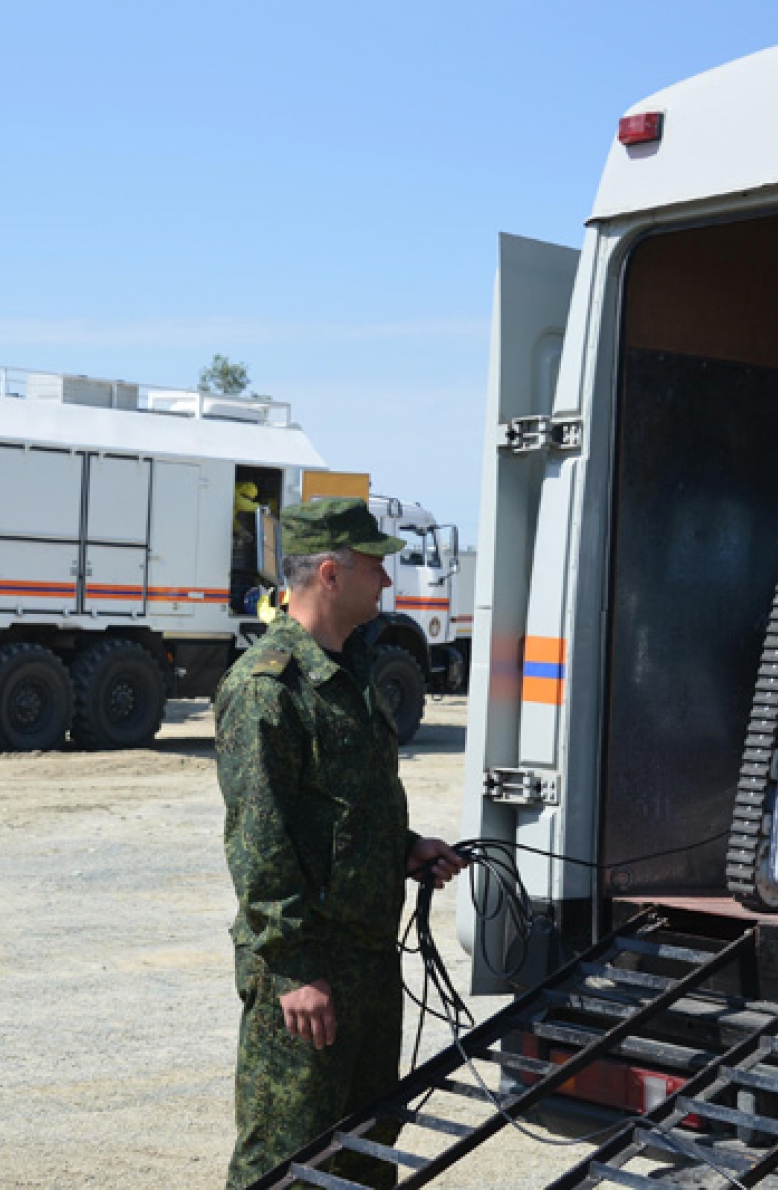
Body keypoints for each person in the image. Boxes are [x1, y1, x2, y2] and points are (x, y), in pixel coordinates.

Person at [215, 497, 466, 1190]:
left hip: (366, 964)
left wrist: (404, 846)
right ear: (331, 572)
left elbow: (340, 805)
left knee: (366, 1155)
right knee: (289, 1162)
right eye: (376, 566)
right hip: (310, 974)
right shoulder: (269, 689)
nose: (387, 582)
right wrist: (294, 969)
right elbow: (258, 840)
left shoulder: (351, 673)